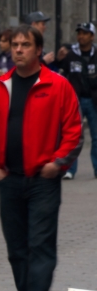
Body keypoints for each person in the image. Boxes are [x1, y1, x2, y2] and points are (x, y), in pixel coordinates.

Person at [0, 25, 82, 291]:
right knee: (17, 249)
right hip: (9, 179)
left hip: (43, 180)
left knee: (41, 245)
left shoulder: (58, 85)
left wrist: (58, 163)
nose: (18, 49)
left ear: (38, 50)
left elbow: (73, 131)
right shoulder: (0, 87)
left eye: (25, 44)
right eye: (15, 45)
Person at [55, 21, 97, 179]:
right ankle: (70, 169)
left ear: (92, 36)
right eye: (79, 33)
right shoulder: (70, 54)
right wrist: (59, 60)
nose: (81, 36)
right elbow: (60, 72)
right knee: (72, 136)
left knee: (96, 136)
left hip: (94, 101)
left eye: (85, 33)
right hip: (75, 101)